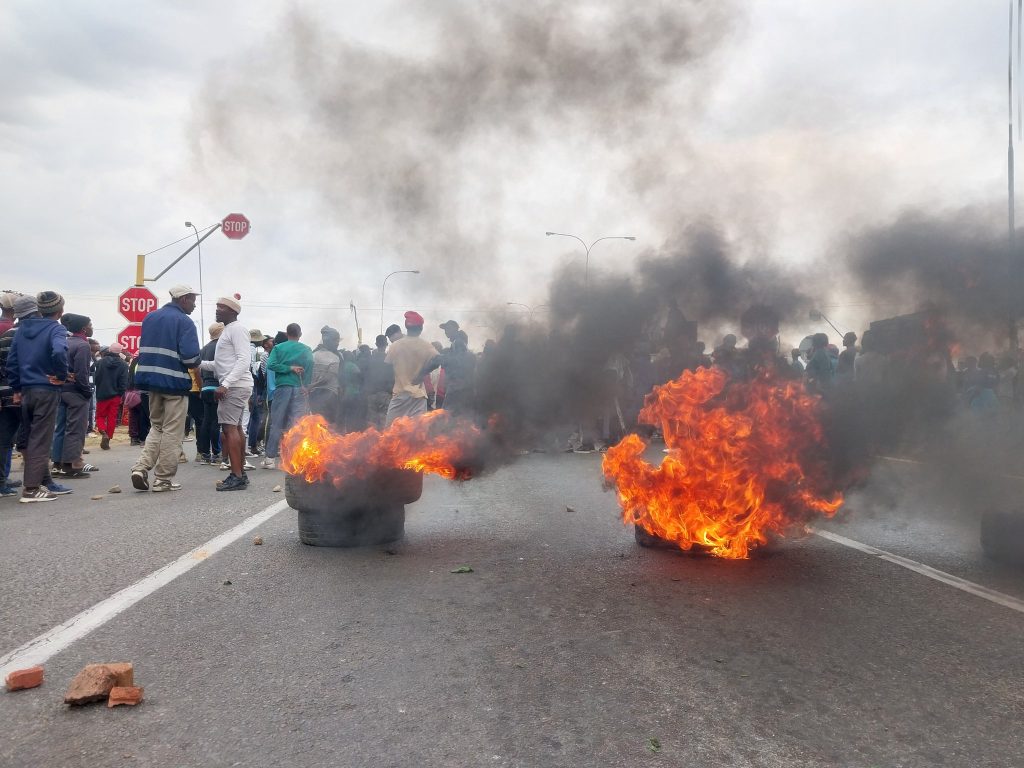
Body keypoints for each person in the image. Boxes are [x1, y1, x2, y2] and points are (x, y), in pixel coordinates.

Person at [129, 285, 201, 492]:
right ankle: (163, 479)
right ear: (184, 299)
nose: (195, 305)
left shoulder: (150, 318)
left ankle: (140, 468)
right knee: (172, 432)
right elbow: (190, 358)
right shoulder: (185, 322)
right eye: (193, 300)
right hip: (175, 384)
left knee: (157, 427)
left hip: (151, 382)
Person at [6, 292, 73, 502]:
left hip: (25, 390)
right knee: (41, 439)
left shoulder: (22, 329)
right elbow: (60, 351)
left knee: (28, 436)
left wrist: (17, 387)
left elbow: (12, 360)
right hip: (46, 388)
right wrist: (61, 376)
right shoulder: (56, 329)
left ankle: (43, 481)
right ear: (60, 311)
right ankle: (32, 489)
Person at [201, 296, 254, 490]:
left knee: (229, 429)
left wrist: (226, 384)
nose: (217, 310)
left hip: (235, 386)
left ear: (233, 311)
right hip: (237, 385)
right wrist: (199, 364)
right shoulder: (228, 331)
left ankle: (236, 475)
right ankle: (241, 474)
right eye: (217, 306)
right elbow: (222, 364)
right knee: (236, 429)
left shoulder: (237, 329)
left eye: (221, 307)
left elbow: (243, 360)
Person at [263, 323, 313, 469]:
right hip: (299, 388)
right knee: (296, 424)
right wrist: (307, 384)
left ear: (287, 333)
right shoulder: (306, 349)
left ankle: (270, 459)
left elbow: (270, 365)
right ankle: (292, 458)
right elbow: (310, 362)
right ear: (300, 334)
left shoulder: (278, 348)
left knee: (277, 422)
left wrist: (287, 368)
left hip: (282, 387)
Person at [385, 311, 440, 426]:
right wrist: (421, 374)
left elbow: (387, 367)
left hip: (400, 395)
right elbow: (438, 360)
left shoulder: (395, 346)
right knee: (417, 434)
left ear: (406, 327)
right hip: (419, 397)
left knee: (390, 431)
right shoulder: (426, 346)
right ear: (420, 329)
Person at [197, 323, 225, 465]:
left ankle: (205, 454)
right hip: (217, 386)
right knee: (216, 422)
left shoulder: (204, 349)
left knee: (206, 421)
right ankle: (216, 453)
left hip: (205, 387)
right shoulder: (221, 346)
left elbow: (199, 369)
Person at [93, 341, 129, 449]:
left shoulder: (100, 362)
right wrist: (120, 394)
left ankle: (103, 431)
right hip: (116, 395)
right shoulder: (123, 364)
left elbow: (96, 378)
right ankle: (108, 437)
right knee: (112, 418)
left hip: (102, 393)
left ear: (109, 350)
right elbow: (124, 382)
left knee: (100, 416)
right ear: (120, 352)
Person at [309, 326, 342, 424]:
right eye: (336, 341)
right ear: (330, 341)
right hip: (329, 394)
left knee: (316, 422)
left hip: (313, 394)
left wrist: (311, 386)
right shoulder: (335, 357)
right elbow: (329, 377)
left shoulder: (312, 355)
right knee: (329, 424)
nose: (338, 343)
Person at [441, 329, 476, 417]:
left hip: (454, 392)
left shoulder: (452, 357)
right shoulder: (472, 356)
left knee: (448, 418)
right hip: (467, 393)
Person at [365, 334, 394, 430]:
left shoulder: (369, 359)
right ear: (386, 344)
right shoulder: (389, 359)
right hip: (385, 394)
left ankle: (372, 442)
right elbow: (393, 377)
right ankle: (383, 443)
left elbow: (365, 376)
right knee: (384, 422)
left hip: (371, 394)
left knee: (371, 423)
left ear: (376, 344)